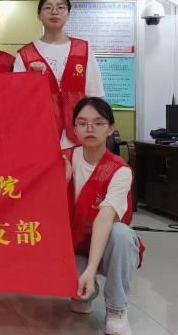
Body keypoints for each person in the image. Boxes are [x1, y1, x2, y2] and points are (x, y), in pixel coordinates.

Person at [64, 97, 144, 335]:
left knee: (122, 234)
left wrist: (90, 269)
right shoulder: (63, 159)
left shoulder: (120, 170)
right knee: (71, 287)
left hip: (107, 245)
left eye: (98, 123)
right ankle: (85, 292)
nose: (90, 128)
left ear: (110, 128)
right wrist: (61, 181)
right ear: (74, 128)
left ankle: (117, 309)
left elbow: (105, 217)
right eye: (82, 123)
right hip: (72, 245)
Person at [14, 0, 104, 148]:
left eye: (60, 7)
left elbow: (95, 97)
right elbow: (18, 101)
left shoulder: (83, 49)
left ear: (68, 14)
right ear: (39, 15)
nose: (54, 12)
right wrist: (30, 79)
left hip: (79, 135)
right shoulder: (26, 55)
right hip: (41, 135)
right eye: (48, 7)